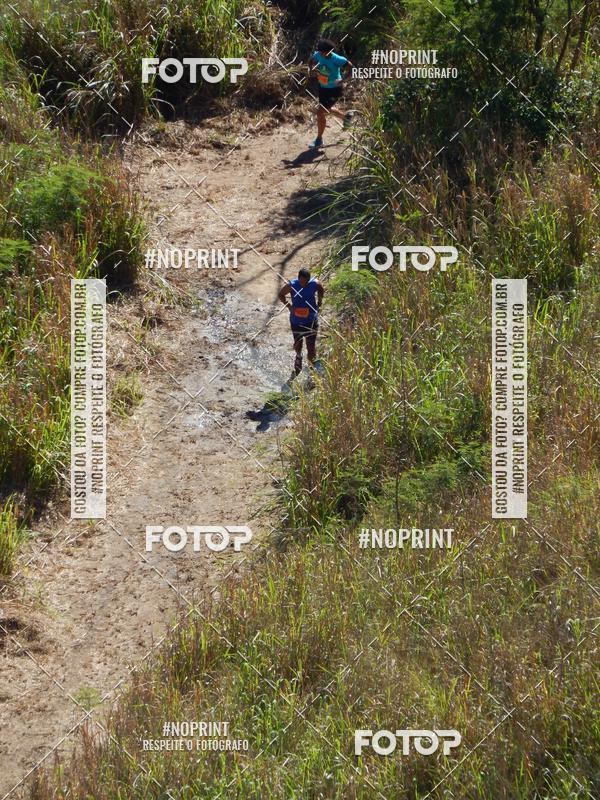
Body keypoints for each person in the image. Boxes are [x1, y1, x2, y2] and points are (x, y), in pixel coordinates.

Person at [278, 268, 324, 381]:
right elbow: (280, 294)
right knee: (298, 344)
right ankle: (298, 357)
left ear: (309, 280)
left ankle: (311, 374)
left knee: (311, 348)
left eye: (306, 282)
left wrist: (319, 302)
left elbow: (321, 289)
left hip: (311, 321)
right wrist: (289, 307)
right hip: (296, 321)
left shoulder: (314, 284)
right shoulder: (292, 285)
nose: (304, 284)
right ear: (298, 278)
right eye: (302, 281)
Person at [308, 38, 354, 149]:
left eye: (323, 52)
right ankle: (346, 117)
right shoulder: (318, 55)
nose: (321, 55)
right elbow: (311, 60)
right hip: (322, 88)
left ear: (329, 51)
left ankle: (319, 140)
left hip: (334, 89)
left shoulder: (337, 59)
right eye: (319, 52)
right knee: (325, 110)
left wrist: (343, 80)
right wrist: (311, 69)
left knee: (320, 113)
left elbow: (350, 67)